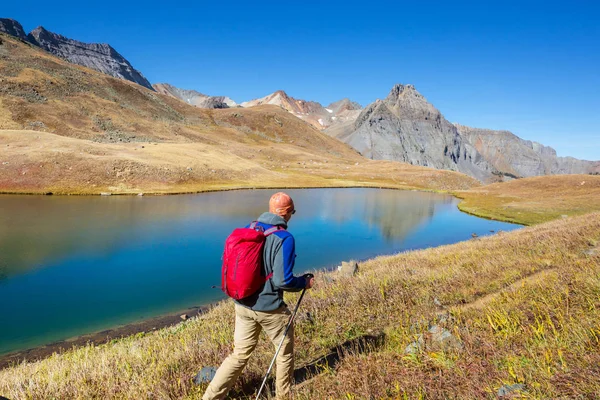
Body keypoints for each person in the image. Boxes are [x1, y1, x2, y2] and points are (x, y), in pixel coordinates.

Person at [203, 192, 315, 400]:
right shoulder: (284, 238)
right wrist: (304, 283)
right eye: (292, 211)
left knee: (238, 355)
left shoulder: (248, 228)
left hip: (243, 304)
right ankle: (283, 395)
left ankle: (210, 397)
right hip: (270, 309)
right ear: (287, 213)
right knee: (283, 353)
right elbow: (283, 281)